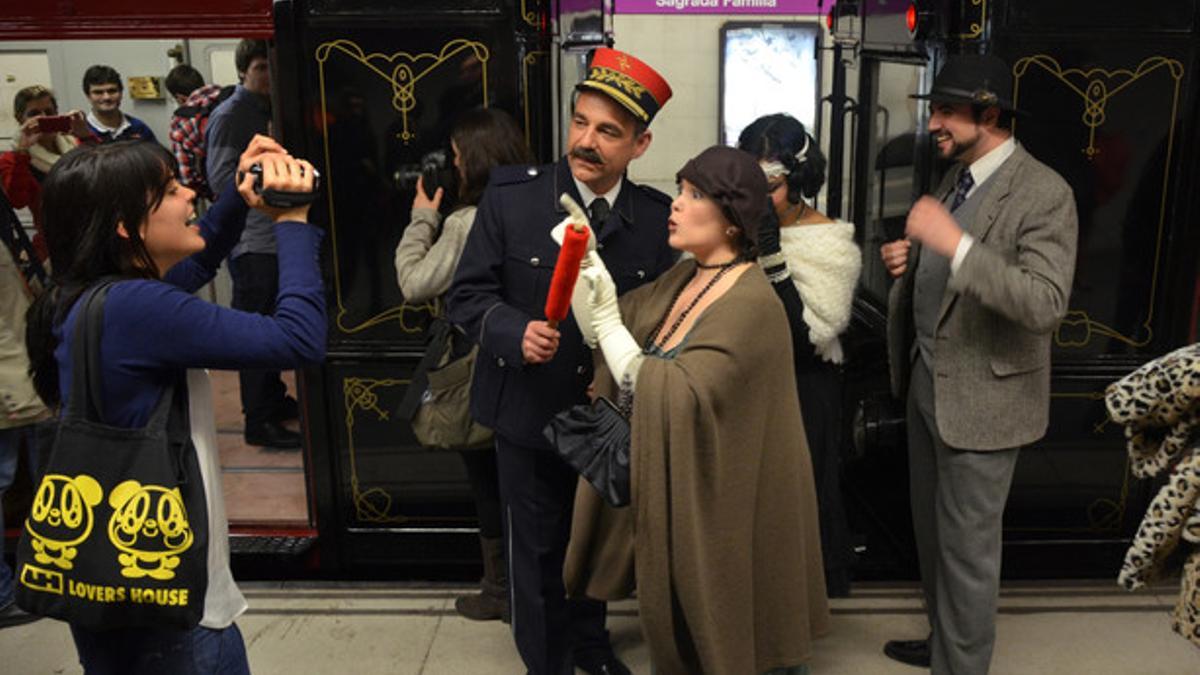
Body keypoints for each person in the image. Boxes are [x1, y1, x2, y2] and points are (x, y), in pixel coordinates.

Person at [24, 134, 322, 672]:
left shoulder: (92, 293)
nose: (190, 196)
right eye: (169, 189)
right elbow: (297, 339)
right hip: (175, 621)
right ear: (125, 225)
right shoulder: (137, 307)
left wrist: (236, 197)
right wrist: (293, 222)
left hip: (121, 597)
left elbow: (198, 260)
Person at [448, 47, 676, 675]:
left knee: (595, 543)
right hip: (528, 410)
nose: (586, 141)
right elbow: (467, 295)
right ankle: (545, 659)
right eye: (580, 122)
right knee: (538, 549)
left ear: (640, 143)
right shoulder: (513, 199)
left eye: (608, 131)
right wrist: (511, 331)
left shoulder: (658, 223)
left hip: (607, 418)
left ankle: (591, 645)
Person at [564, 145, 830, 674]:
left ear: (732, 221)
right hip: (691, 491)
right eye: (680, 192)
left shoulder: (753, 303)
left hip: (728, 502)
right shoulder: (687, 276)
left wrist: (610, 322)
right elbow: (607, 325)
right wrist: (582, 262)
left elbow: (674, 389)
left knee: (731, 633)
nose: (677, 205)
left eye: (695, 195)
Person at [879, 54, 1078, 674]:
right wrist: (914, 262)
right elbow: (947, 258)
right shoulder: (958, 176)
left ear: (989, 115)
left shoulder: (1044, 191)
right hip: (926, 388)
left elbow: (1044, 303)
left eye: (947, 112)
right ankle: (946, 641)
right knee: (934, 541)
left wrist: (951, 243)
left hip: (985, 405)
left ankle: (961, 666)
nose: (933, 122)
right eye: (933, 109)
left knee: (967, 552)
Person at [393, 107, 532, 622]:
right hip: (531, 361)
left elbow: (414, 283)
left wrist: (422, 216)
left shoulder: (466, 221)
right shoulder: (536, 206)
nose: (452, 168)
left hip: (479, 366)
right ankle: (531, 587)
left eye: (455, 158)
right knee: (527, 481)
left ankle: (498, 591)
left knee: (487, 479)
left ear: (474, 161)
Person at [738, 113, 861, 598]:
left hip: (803, 384)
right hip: (747, 381)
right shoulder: (736, 226)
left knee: (798, 497)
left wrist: (770, 254)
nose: (758, 200)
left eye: (769, 185)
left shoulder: (831, 241)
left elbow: (810, 331)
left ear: (799, 178)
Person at [206, 39, 300, 449]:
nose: (269, 75)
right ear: (244, 69)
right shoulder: (232, 114)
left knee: (270, 324)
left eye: (274, 66)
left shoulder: (271, 108)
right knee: (254, 329)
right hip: (251, 240)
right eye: (262, 67)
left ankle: (273, 400)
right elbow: (222, 178)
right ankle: (258, 421)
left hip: (273, 236)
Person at [0, 219, 51, 630]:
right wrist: (13, 384)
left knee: (42, 473)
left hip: (26, 367)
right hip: (12, 378)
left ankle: (44, 577)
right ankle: (3, 595)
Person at [0, 85, 95, 260]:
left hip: (95, 233)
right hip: (55, 245)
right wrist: (22, 152)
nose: (43, 118)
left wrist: (86, 135)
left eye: (49, 112)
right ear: (19, 119)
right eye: (34, 113)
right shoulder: (13, 159)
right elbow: (17, 201)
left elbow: (104, 175)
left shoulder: (75, 144)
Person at [82, 65, 157, 144]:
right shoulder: (82, 133)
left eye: (112, 91)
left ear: (121, 93)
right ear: (88, 96)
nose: (106, 97)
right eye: (98, 92)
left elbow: (156, 155)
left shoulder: (138, 127)